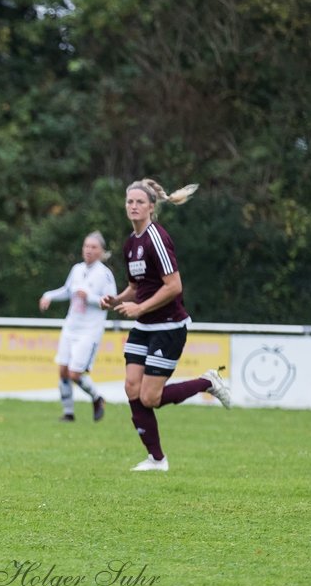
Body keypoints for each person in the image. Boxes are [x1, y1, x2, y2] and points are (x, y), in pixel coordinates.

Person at [98, 178, 231, 472]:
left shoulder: (156, 238)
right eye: (130, 202)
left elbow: (174, 286)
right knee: (132, 388)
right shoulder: (130, 244)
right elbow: (136, 286)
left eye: (139, 202)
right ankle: (156, 459)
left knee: (150, 397)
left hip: (169, 326)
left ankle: (208, 382)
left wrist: (140, 307)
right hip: (144, 326)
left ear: (151, 207)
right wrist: (116, 299)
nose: (133, 206)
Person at [39, 232, 118, 422]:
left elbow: (111, 301)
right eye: (86, 246)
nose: (89, 250)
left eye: (93, 247)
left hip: (89, 330)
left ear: (101, 251)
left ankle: (97, 398)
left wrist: (89, 297)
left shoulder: (104, 274)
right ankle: (68, 413)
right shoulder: (77, 269)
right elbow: (68, 291)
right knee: (63, 370)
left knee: (75, 373)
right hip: (71, 326)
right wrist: (49, 295)